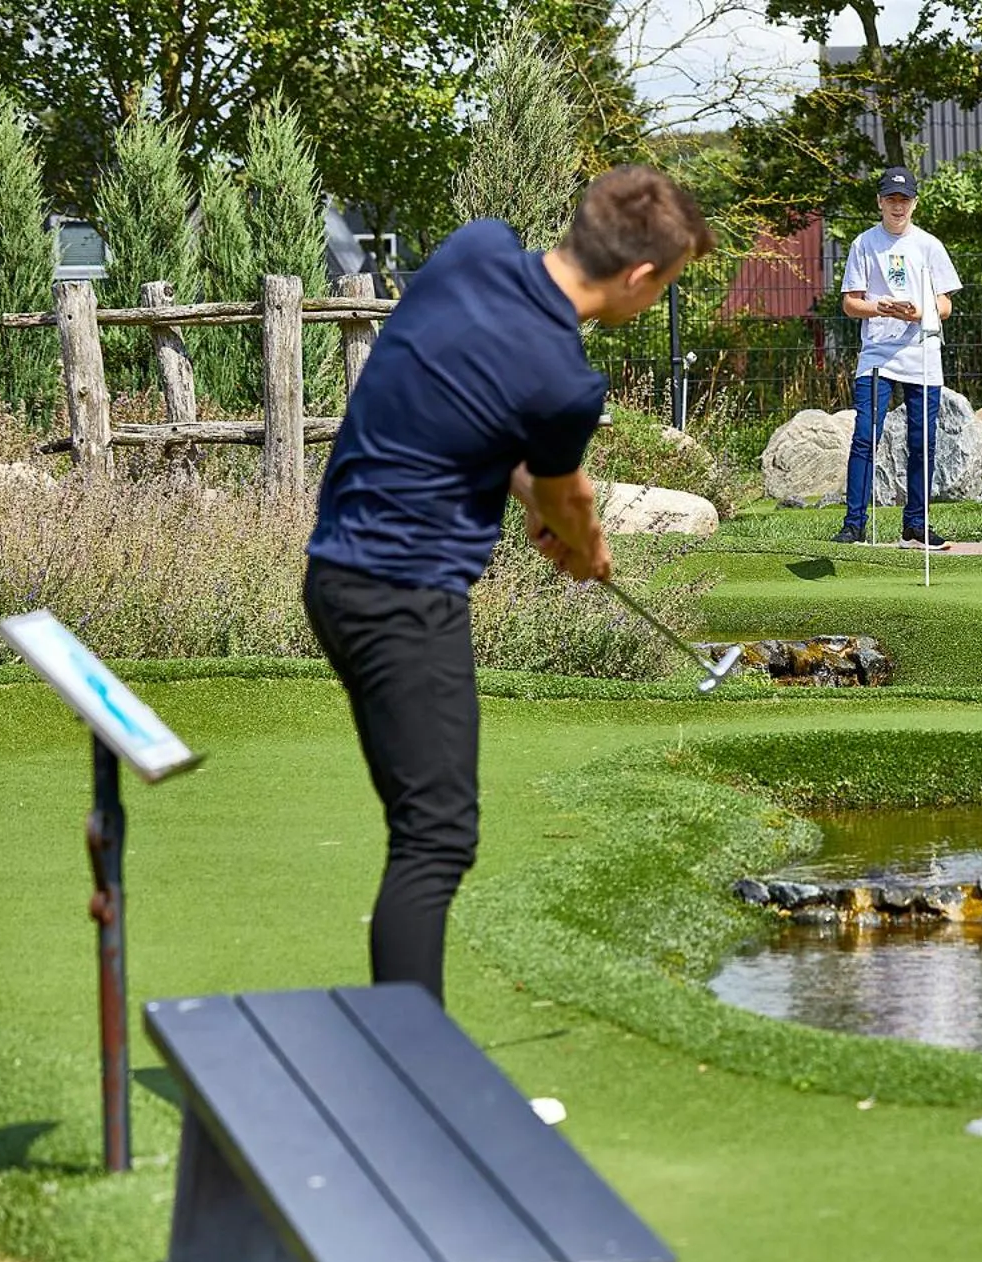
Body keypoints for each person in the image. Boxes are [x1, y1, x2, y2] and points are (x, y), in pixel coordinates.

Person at [303, 166, 714, 1005]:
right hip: (403, 597)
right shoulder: (568, 383)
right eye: (667, 286)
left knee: (422, 826)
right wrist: (584, 545)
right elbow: (571, 498)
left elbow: (468, 406)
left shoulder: (473, 247)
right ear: (639, 277)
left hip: (337, 572)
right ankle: (413, 1070)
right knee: (437, 838)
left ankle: (407, 1049)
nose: (657, 300)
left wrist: (532, 498)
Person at [830, 166, 960, 550]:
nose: (897, 206)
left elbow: (946, 303)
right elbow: (851, 304)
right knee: (865, 437)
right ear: (880, 202)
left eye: (904, 199)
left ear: (914, 203)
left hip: (922, 354)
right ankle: (854, 524)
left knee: (923, 442)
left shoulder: (930, 245)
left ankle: (916, 525)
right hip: (877, 355)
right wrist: (880, 308)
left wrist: (920, 311)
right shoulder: (864, 244)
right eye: (891, 199)